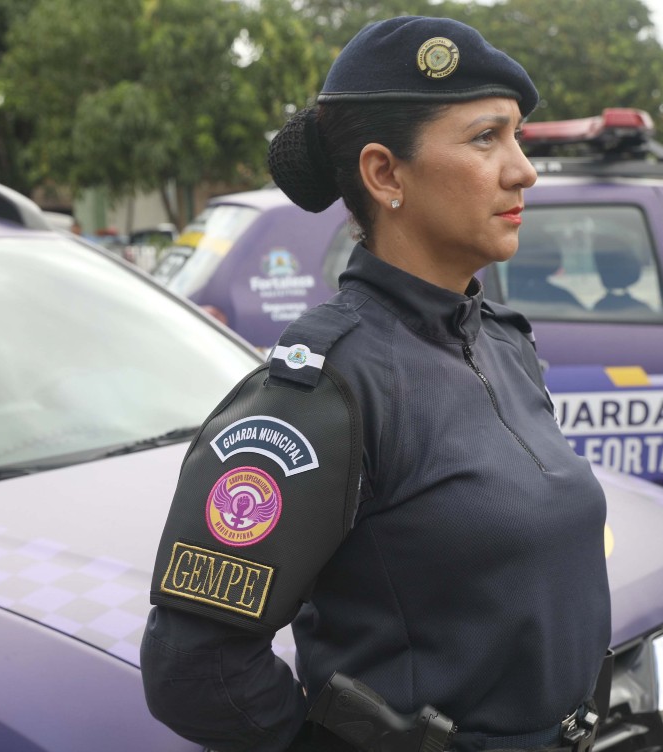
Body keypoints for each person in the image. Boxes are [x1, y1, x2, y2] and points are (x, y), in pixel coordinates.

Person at [141, 16, 611, 752]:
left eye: (517, 136)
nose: (523, 169)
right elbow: (194, 669)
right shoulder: (327, 389)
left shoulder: (501, 343)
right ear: (385, 174)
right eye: (486, 137)